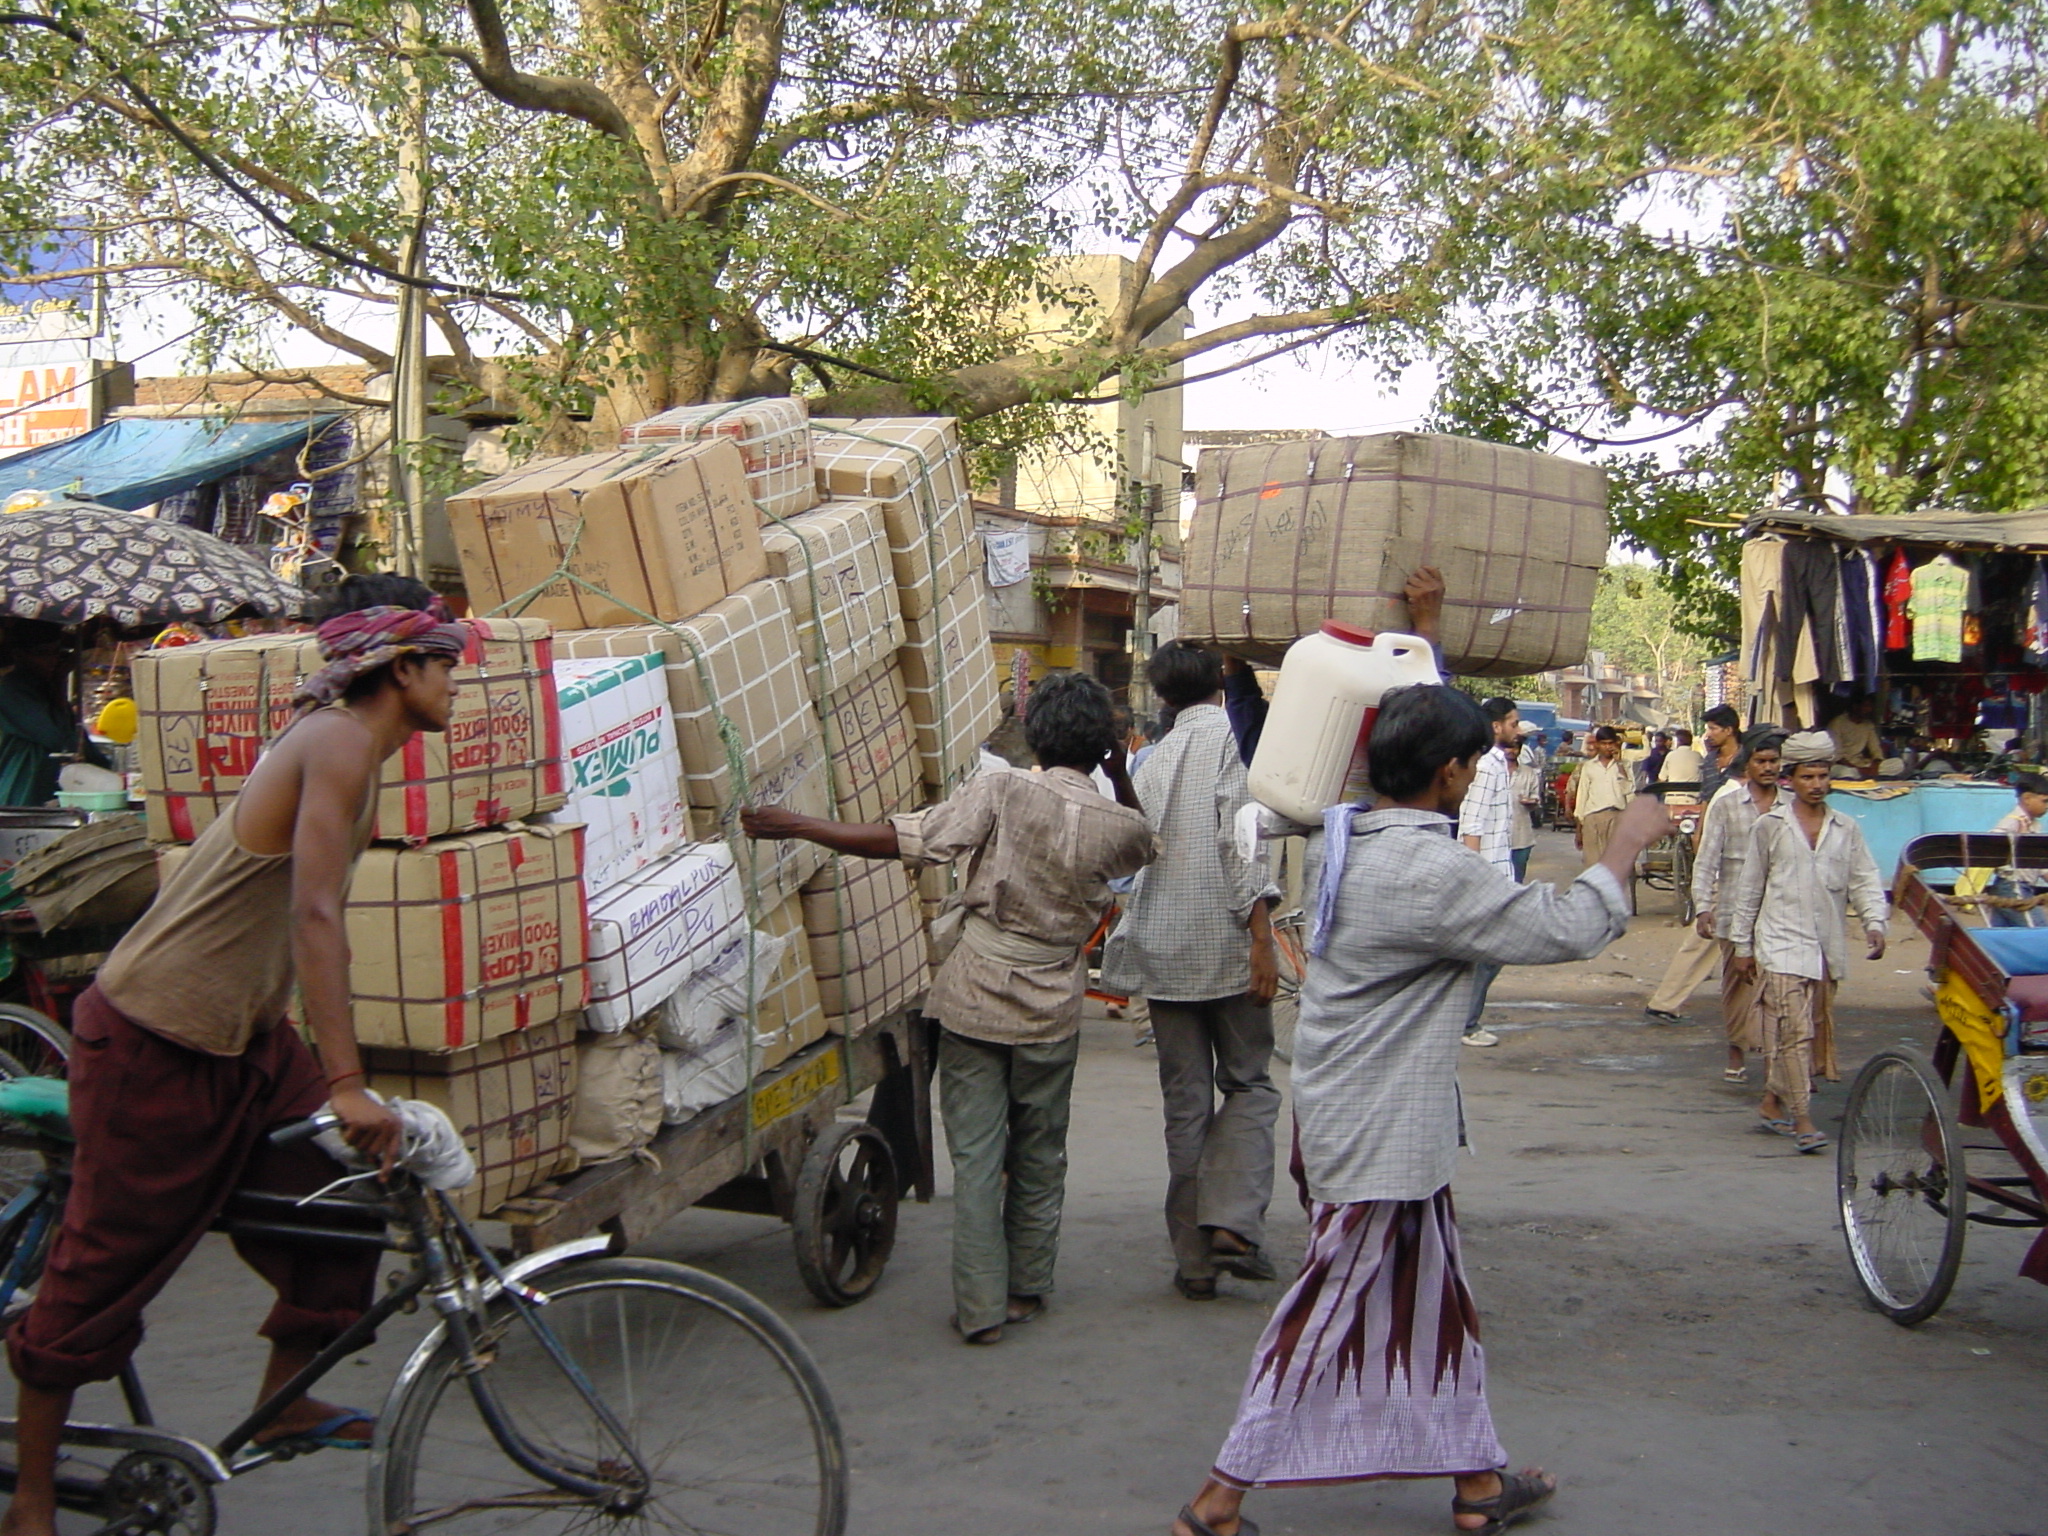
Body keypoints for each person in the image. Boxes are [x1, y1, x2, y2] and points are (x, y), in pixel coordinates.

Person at [0, 598, 464, 1536]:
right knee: (99, 1274)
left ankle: (290, 1397)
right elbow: (315, 916)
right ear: (402, 667)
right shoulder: (335, 743)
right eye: (447, 662)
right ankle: (32, 1499)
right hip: (157, 1036)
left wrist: (333, 1082)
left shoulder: (352, 750)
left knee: (345, 1202)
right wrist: (345, 1082)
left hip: (247, 1039)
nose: (458, 681)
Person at [1168, 685, 1675, 1536]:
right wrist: (1623, 843)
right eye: (1474, 763)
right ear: (1449, 773)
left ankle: (1478, 1484)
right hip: (1378, 1133)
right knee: (1324, 1309)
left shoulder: (1344, 835)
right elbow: (1563, 927)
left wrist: (1427, 642)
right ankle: (1217, 1502)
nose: (1477, 774)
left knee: (1437, 1303)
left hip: (1369, 1118)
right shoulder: (1428, 870)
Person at [743, 671, 1153, 1344]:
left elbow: (904, 840)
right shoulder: (1119, 824)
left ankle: (981, 1307)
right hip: (1053, 1005)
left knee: (977, 1156)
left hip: (976, 997)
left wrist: (799, 826)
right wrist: (1118, 773)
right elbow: (1144, 838)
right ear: (1104, 747)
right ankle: (1028, 1287)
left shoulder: (1003, 789)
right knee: (1041, 1153)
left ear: (1035, 736)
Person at [1103, 643, 1282, 1299]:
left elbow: (1129, 847)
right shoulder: (1229, 742)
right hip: (1227, 948)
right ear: (1217, 684)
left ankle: (1194, 1261)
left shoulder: (1154, 758)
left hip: (1164, 950)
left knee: (1185, 1106)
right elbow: (1243, 845)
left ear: (1164, 697)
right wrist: (1261, 934)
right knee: (1251, 1086)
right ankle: (1232, 1222)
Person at [1725, 732, 1888, 1155]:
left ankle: (1770, 1101)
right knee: (1795, 1032)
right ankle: (1802, 1118)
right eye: (1808, 776)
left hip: (1825, 947)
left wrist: (1875, 922)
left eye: (1822, 776)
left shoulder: (1845, 829)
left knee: (1800, 1034)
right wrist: (1742, 945)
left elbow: (1865, 879)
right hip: (1779, 944)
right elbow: (1749, 889)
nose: (1816, 784)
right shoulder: (1770, 828)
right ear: (1789, 780)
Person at [1688, 729, 1784, 1079]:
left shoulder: (1790, 807)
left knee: (1779, 988)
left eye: (1774, 761)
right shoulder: (1727, 805)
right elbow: (1707, 859)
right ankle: (1736, 1052)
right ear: (1749, 764)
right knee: (1737, 985)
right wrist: (1703, 906)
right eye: (1761, 761)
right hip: (1732, 910)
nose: (1768, 767)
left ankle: (1778, 1061)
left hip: (1779, 913)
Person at [1455, 698, 1520, 1048]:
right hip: (1486, 871)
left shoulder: (1497, 763)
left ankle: (1464, 1018)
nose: (1516, 729)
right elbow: (1472, 823)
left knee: (1492, 951)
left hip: (1498, 867)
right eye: (1512, 723)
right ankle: (1465, 1022)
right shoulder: (1485, 766)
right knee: (1490, 951)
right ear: (1495, 726)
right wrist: (1474, 876)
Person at [0, 620, 94, 807]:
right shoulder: (10, 691)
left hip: (54, 789)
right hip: (22, 790)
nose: (51, 660)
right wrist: (59, 681)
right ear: (19, 655)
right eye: (42, 654)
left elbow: (81, 744)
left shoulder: (44, 689)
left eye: (56, 653)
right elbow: (59, 738)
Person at [1984, 772, 2048, 928]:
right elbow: (1992, 842)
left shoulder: (2031, 825)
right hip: (2013, 885)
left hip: (2014, 886)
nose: (2047, 806)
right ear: (2027, 798)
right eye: (2044, 801)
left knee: (2001, 937)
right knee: (2037, 932)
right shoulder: (2014, 823)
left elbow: (2037, 862)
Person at [1569, 726, 1634, 869]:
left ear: (1616, 744)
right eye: (1604, 744)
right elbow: (1582, 797)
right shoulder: (1589, 767)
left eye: (1611, 743)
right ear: (1597, 744)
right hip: (1593, 818)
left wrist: (1619, 764)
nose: (1607, 747)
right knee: (1593, 865)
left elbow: (1628, 790)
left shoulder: (1625, 765)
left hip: (1617, 816)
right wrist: (1579, 829)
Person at [1509, 726, 1543, 882]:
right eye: (1508, 747)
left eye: (1515, 747)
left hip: (1521, 836)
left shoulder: (1529, 773)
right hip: (1495, 838)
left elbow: (1535, 798)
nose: (1511, 751)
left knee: (1517, 880)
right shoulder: (1489, 771)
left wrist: (1531, 802)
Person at [1827, 696, 1883, 777]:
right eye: (1866, 706)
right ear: (1855, 706)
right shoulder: (1837, 723)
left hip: (1862, 764)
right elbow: (1837, 756)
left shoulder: (1868, 725)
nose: (1869, 710)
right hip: (1842, 765)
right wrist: (1857, 769)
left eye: (1870, 707)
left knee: (1898, 764)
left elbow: (1875, 749)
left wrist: (1875, 767)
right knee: (1847, 773)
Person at [1697, 705, 1741, 802]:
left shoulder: (1746, 759)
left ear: (1728, 730)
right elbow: (1706, 799)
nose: (1708, 734)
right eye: (1708, 729)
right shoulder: (1710, 760)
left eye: (1712, 729)